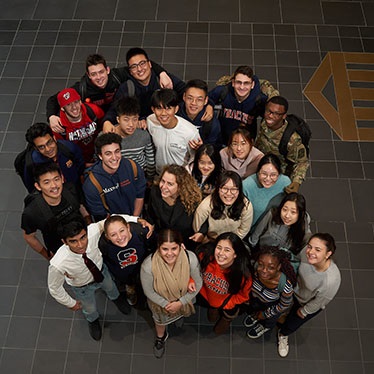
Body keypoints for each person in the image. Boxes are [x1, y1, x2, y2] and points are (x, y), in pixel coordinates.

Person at [48, 215, 151, 341]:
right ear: (65, 242)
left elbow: (112, 219)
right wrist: (70, 303)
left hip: (102, 273)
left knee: (112, 288)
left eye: (83, 237)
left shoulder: (93, 231)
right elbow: (54, 288)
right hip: (82, 287)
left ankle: (117, 299)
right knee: (89, 308)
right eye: (73, 241)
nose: (80, 245)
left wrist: (136, 219)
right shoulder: (58, 263)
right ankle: (93, 320)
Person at [46, 53, 172, 132]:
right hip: (97, 120)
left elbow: (142, 65)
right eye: (94, 74)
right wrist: (51, 116)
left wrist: (162, 73)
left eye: (101, 72)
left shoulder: (117, 75)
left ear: (107, 70)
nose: (99, 77)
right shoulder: (82, 88)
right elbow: (54, 99)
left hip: (118, 114)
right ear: (88, 75)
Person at [140, 229, 202, 358]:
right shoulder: (148, 266)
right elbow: (149, 291)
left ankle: (178, 317)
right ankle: (160, 337)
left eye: (174, 248)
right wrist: (167, 304)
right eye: (165, 249)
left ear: (180, 246)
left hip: (182, 299)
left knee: (180, 313)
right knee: (160, 323)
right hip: (161, 305)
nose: (169, 254)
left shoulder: (190, 258)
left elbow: (198, 283)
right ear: (158, 247)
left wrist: (180, 303)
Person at [277, 233, 341, 358]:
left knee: (292, 322)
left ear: (328, 254)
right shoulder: (307, 255)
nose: (311, 252)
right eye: (309, 247)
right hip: (294, 290)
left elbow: (320, 301)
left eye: (318, 250)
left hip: (305, 302)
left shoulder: (331, 280)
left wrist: (305, 311)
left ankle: (283, 335)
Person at [102, 47, 187, 130]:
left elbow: (186, 92)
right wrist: (107, 122)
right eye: (134, 67)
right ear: (130, 71)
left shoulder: (163, 80)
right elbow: (115, 109)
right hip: (142, 128)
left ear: (150, 64)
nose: (139, 69)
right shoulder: (127, 88)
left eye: (142, 63)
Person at [21, 163, 90, 259]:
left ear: (62, 178)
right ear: (38, 186)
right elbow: (29, 237)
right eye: (46, 182)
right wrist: (48, 256)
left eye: (56, 179)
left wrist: (89, 223)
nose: (54, 186)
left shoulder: (71, 189)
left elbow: (80, 206)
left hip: (82, 237)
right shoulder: (32, 212)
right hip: (59, 249)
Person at [82, 133, 146, 221]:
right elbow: (101, 215)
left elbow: (140, 196)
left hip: (135, 217)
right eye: (108, 154)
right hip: (112, 225)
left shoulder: (132, 167)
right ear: (100, 156)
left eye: (117, 151)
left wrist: (134, 220)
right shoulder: (92, 184)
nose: (114, 157)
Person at [198, 232, 252, 334]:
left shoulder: (243, 274)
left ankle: (226, 319)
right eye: (219, 248)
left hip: (227, 305)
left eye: (227, 250)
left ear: (235, 254)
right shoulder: (205, 258)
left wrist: (227, 304)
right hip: (208, 299)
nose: (221, 253)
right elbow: (194, 272)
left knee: (220, 329)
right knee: (211, 317)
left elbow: (243, 296)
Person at [255, 96, 310, 193]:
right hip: (261, 162)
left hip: (278, 173)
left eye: (276, 114)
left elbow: (302, 162)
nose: (270, 116)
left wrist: (296, 182)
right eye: (269, 111)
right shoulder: (265, 122)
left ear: (284, 116)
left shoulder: (292, 140)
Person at [244, 246, 297, 339]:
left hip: (271, 307)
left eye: (271, 267)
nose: (264, 270)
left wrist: (265, 314)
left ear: (278, 267)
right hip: (256, 300)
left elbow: (284, 305)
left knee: (268, 320)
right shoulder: (255, 269)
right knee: (256, 311)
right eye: (261, 264)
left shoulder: (284, 285)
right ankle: (255, 316)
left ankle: (264, 326)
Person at [146, 164, 202, 249]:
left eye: (170, 184)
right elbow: (150, 216)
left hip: (186, 244)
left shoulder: (192, 200)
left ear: (180, 186)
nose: (163, 187)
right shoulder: (155, 192)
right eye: (162, 181)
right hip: (161, 242)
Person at [98, 215, 150, 307]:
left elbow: (154, 245)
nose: (119, 237)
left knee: (146, 284)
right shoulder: (103, 244)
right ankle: (130, 289)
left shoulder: (141, 232)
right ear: (107, 237)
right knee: (129, 283)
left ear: (128, 227)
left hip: (142, 268)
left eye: (122, 231)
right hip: (123, 273)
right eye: (113, 235)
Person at [146, 89, 202, 174]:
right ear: (153, 109)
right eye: (159, 108)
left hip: (181, 178)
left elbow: (195, 158)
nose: (163, 113)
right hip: (159, 175)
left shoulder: (190, 132)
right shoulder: (150, 121)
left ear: (176, 109)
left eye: (168, 108)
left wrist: (184, 176)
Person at [208, 65, 267, 144]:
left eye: (246, 83)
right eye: (238, 82)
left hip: (245, 141)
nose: (242, 87)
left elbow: (269, 116)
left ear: (252, 85)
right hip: (222, 137)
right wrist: (209, 105)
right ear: (233, 83)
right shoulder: (223, 91)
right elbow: (206, 99)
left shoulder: (259, 99)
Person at [192, 171, 253, 243]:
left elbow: (243, 231)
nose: (228, 193)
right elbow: (197, 228)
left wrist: (227, 244)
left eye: (233, 189)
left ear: (239, 190)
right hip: (209, 241)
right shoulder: (206, 206)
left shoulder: (246, 206)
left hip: (233, 241)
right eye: (224, 188)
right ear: (218, 189)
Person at [23, 122, 85, 193]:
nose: (48, 149)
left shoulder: (69, 149)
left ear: (54, 138)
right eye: (41, 147)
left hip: (74, 189)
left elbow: (80, 166)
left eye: (49, 143)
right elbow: (31, 187)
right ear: (36, 148)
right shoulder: (33, 164)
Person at [249, 192, 311, 256]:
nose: (287, 216)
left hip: (284, 260)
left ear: (300, 214)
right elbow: (255, 235)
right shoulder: (273, 214)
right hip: (262, 253)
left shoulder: (303, 229)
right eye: (284, 210)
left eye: (293, 212)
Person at [54, 88, 104, 165]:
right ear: (62, 108)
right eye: (68, 104)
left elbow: (105, 129)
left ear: (80, 101)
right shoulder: (59, 126)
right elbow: (61, 151)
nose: (74, 107)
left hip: (98, 154)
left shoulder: (93, 111)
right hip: (77, 160)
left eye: (76, 102)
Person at [111, 96, 156, 181]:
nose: (131, 124)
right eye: (126, 120)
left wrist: (149, 179)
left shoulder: (143, 135)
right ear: (118, 119)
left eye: (135, 119)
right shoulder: (108, 137)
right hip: (118, 178)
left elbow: (150, 161)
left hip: (141, 176)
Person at [242, 154, 291, 229]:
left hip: (275, 229)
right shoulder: (246, 186)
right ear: (258, 172)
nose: (268, 179)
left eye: (273, 175)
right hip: (252, 229)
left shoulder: (285, 183)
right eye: (264, 174)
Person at [178, 79, 221, 146]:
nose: (193, 103)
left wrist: (201, 149)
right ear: (184, 97)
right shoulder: (175, 114)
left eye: (199, 100)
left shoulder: (212, 124)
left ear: (206, 100)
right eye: (190, 98)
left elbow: (210, 149)